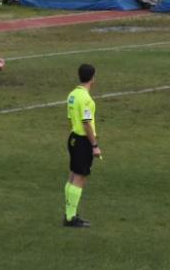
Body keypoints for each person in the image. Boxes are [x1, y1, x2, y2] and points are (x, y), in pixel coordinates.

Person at [63, 64, 102, 228]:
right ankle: (71, 218)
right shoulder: (86, 99)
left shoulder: (72, 95)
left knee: (72, 175)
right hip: (82, 140)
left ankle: (69, 213)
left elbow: (71, 119)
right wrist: (95, 145)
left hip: (73, 138)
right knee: (80, 177)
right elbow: (87, 124)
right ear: (93, 78)